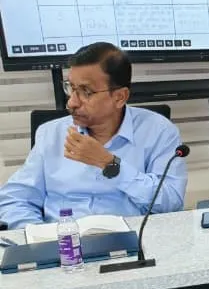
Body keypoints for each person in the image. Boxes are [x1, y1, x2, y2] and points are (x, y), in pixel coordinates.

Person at [0, 42, 187, 229]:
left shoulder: (158, 131)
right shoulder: (51, 134)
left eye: (86, 92)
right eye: (71, 88)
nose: (72, 102)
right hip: (63, 240)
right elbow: (14, 200)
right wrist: (39, 236)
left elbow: (170, 202)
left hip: (132, 238)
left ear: (120, 97)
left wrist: (110, 165)